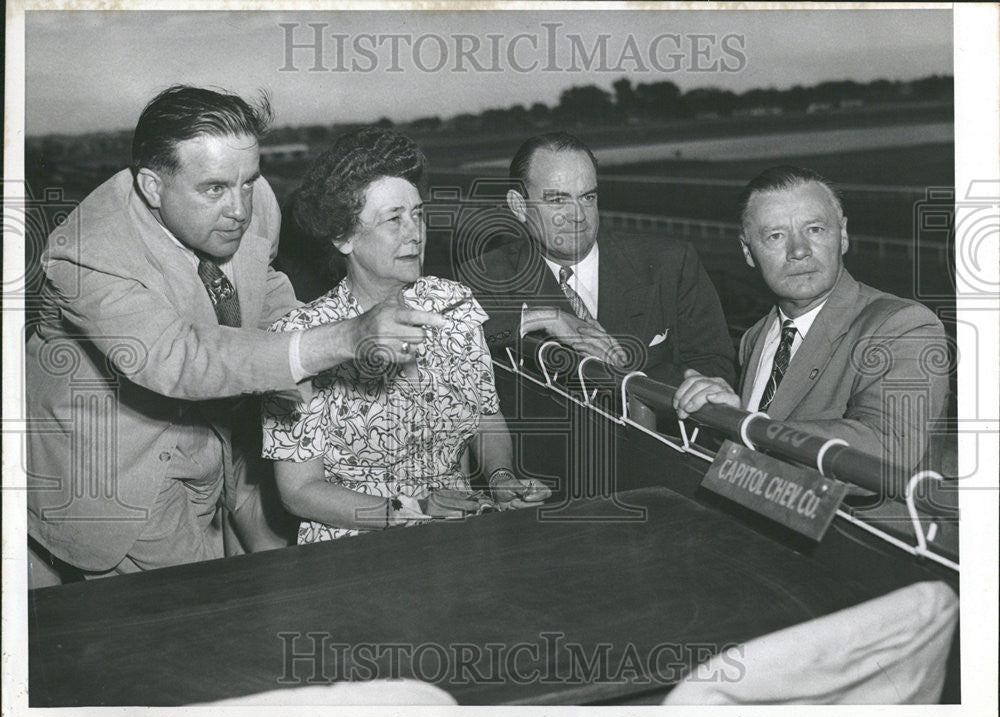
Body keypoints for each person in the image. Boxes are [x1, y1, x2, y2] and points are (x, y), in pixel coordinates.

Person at [26, 86, 444, 584]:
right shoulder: (87, 251)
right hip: (122, 472)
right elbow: (177, 358)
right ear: (152, 187)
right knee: (197, 616)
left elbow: (263, 283)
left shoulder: (253, 197)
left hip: (224, 438)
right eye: (215, 189)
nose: (240, 209)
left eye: (247, 182)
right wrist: (341, 338)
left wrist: (306, 339)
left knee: (282, 582)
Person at [261, 127, 550, 544]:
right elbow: (300, 492)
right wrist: (414, 510)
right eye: (394, 219)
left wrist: (503, 479)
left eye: (418, 213)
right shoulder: (299, 339)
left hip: (458, 535)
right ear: (343, 237)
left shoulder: (452, 304)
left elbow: (486, 417)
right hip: (352, 548)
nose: (414, 232)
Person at [673, 166, 949, 473]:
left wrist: (747, 426)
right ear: (748, 252)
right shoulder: (755, 337)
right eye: (776, 236)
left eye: (815, 230)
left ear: (843, 235)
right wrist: (719, 416)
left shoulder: (904, 327)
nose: (799, 250)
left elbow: (888, 448)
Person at [457, 132, 735, 385]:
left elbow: (715, 370)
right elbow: (446, 337)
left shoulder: (671, 263)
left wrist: (628, 382)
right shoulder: (487, 272)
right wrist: (545, 318)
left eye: (587, 197)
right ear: (518, 206)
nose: (578, 215)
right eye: (557, 200)